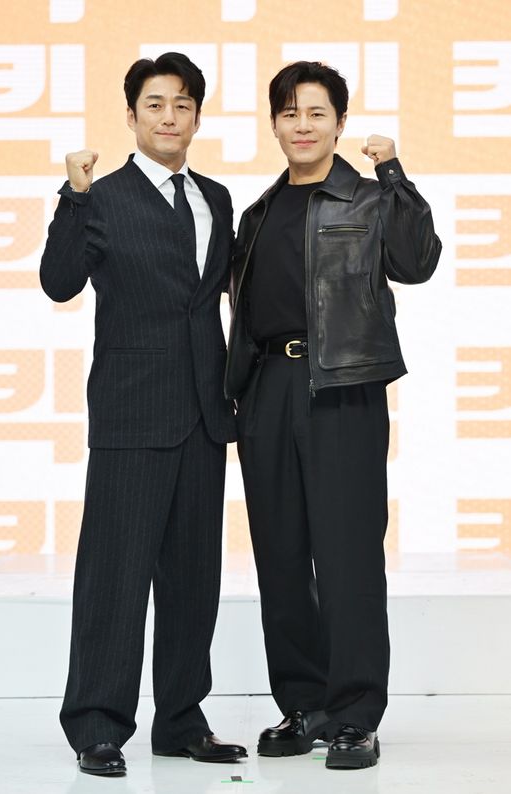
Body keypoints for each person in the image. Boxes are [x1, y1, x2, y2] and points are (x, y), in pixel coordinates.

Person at [225, 60, 441, 771]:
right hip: (268, 391)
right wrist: (237, 396)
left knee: (348, 559)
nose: (303, 125)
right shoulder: (258, 212)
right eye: (289, 113)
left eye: (317, 113)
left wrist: (394, 173)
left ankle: (354, 715)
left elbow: (417, 261)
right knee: (281, 559)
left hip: (343, 390)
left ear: (340, 123)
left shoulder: (370, 198)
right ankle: (304, 703)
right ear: (274, 123)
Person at [40, 52, 247, 777]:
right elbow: (58, 282)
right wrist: (73, 195)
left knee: (193, 580)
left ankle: (181, 720)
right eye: (155, 104)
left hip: (204, 413)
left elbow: (221, 298)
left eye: (183, 104)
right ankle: (97, 726)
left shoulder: (216, 198)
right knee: (114, 577)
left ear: (197, 117)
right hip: (131, 412)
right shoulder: (101, 196)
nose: (169, 116)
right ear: (131, 116)